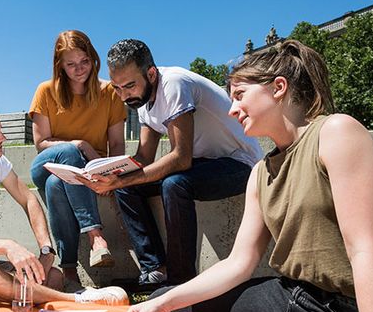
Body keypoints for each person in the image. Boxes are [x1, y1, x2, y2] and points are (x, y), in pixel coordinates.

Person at [119, 41, 373, 312]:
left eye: (240, 95)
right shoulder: (260, 171)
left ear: (278, 88)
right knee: (167, 300)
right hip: (290, 294)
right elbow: (238, 264)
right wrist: (161, 304)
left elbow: (367, 253)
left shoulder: (337, 133)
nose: (232, 110)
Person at [84, 39, 263, 285]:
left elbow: (181, 157)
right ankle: (156, 270)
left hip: (240, 164)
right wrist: (110, 176)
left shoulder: (174, 84)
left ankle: (181, 280)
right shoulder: (141, 99)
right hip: (204, 164)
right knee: (126, 187)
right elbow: (144, 158)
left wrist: (123, 178)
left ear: (151, 73)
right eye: (116, 88)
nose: (124, 95)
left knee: (174, 184)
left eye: (129, 86)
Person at [0, 99, 128, 306]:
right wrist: (6, 246)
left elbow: (28, 199)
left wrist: (46, 249)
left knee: (53, 277)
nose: (2, 138)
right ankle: (75, 299)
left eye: (0, 131)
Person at [29, 30, 127, 288]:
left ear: (93, 58)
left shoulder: (109, 92)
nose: (79, 69)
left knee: (56, 186)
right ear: (59, 65)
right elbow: (41, 143)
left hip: (85, 171)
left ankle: (69, 272)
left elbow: (117, 143)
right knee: (68, 156)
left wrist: (112, 172)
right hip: (48, 164)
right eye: (70, 64)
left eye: (84, 61)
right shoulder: (46, 90)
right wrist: (80, 145)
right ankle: (96, 237)